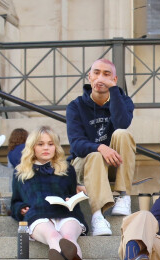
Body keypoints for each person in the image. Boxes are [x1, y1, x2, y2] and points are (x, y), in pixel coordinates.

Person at [66, 58, 136, 236]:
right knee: (95, 155)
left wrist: (114, 92)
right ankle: (97, 216)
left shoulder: (124, 101)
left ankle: (123, 195)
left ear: (115, 79)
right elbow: (76, 144)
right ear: (89, 76)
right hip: (84, 165)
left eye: (106, 74)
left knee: (122, 134)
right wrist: (100, 148)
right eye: (96, 73)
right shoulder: (76, 106)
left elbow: (122, 123)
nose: (100, 78)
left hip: (113, 165)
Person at [11, 126, 88, 260]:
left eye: (50, 144)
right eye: (40, 144)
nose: (46, 147)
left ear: (56, 147)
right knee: (53, 236)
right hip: (38, 215)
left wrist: (72, 199)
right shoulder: (20, 172)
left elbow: (72, 195)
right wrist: (21, 209)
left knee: (68, 238)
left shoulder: (67, 169)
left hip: (66, 213)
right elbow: (15, 202)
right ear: (32, 147)